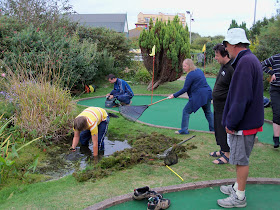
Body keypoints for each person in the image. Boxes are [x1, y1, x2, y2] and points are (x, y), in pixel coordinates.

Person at [217, 28, 264, 208]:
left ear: (234, 44)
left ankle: (240, 197)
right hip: (248, 121)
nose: (226, 48)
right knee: (240, 158)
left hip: (243, 123)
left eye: (227, 44)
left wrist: (232, 122)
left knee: (240, 160)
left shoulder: (245, 63)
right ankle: (237, 187)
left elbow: (241, 97)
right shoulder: (248, 60)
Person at [168, 59, 214, 134]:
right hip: (207, 94)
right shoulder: (199, 70)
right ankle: (213, 130)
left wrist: (174, 95)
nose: (183, 67)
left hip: (199, 96)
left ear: (189, 66)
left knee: (186, 111)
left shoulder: (190, 75)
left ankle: (184, 130)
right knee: (208, 112)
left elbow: (185, 89)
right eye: (183, 66)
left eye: (185, 66)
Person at [209, 44, 234, 165]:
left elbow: (235, 89)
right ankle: (222, 150)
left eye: (217, 55)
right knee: (218, 128)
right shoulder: (223, 66)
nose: (215, 57)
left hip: (225, 106)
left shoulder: (231, 68)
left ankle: (227, 155)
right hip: (217, 105)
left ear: (225, 55)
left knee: (223, 129)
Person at [261, 53, 280, 148]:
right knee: (277, 112)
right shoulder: (275, 58)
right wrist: (271, 73)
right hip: (276, 89)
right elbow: (262, 65)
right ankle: (276, 139)